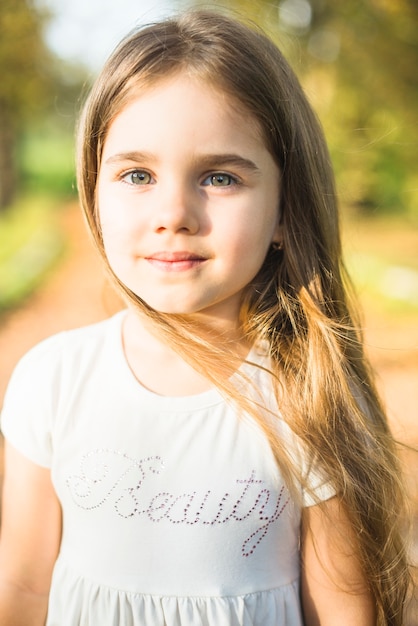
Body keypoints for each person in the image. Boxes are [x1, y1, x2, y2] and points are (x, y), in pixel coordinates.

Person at [0, 9, 412, 626]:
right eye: (137, 174)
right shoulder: (52, 380)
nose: (174, 212)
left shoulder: (308, 396)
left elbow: (345, 613)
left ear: (282, 211)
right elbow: (25, 590)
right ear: (93, 189)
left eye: (219, 177)